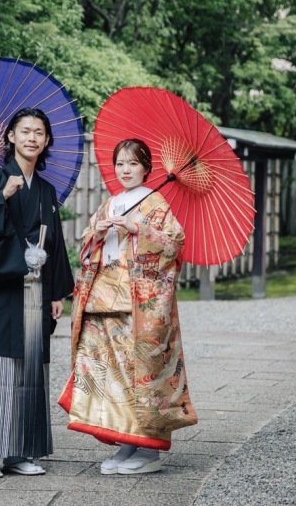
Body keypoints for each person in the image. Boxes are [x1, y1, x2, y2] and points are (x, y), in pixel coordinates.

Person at [58, 138, 197, 475]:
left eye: (133, 163)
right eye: (120, 163)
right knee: (110, 374)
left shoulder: (156, 204)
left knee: (140, 372)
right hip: (101, 300)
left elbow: (174, 245)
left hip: (137, 304)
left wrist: (139, 229)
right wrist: (96, 233)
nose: (125, 170)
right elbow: (87, 247)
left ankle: (148, 450)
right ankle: (126, 442)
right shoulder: (109, 203)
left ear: (146, 168)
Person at [0, 107, 74, 479]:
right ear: (11, 136)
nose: (32, 138)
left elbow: (54, 243)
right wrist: (0, 197)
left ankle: (20, 452)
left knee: (29, 370)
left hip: (35, 289)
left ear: (47, 140)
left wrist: (56, 292)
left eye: (39, 132)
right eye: (25, 131)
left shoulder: (46, 191)